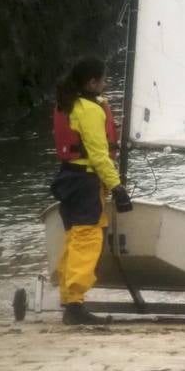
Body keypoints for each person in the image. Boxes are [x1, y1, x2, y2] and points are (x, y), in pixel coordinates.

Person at [51, 57, 133, 325]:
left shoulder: (67, 104)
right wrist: (117, 186)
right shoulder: (91, 110)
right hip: (85, 182)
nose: (105, 84)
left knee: (74, 238)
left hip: (68, 178)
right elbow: (99, 156)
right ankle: (75, 305)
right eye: (103, 79)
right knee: (87, 239)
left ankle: (68, 298)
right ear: (92, 82)